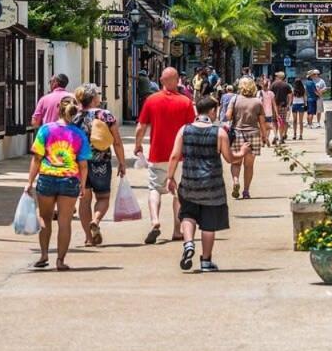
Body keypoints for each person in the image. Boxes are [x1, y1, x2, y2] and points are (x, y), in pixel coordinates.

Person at [166, 96, 249, 272]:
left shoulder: (184, 130)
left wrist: (170, 177)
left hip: (189, 183)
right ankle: (205, 261)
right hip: (213, 185)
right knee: (209, 224)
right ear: (212, 111)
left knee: (188, 214)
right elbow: (229, 158)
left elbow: (174, 155)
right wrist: (242, 152)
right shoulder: (219, 133)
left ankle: (188, 243)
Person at [25, 95, 90, 270]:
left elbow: (37, 159)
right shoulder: (79, 134)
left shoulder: (45, 130)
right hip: (69, 180)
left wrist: (30, 181)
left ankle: (44, 254)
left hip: (47, 177)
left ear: (57, 110)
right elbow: (83, 165)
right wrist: (83, 185)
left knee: (45, 218)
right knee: (64, 221)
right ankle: (60, 260)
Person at [134, 67, 196, 244]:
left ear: (161, 81)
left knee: (154, 189)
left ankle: (154, 220)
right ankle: (177, 230)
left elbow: (141, 127)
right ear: (177, 80)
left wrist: (138, 146)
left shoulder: (151, 100)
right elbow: (191, 129)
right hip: (181, 156)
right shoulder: (185, 102)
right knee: (179, 193)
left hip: (157, 153)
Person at [72, 83, 127, 246]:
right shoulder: (105, 115)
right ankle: (95, 220)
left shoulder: (75, 116)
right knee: (103, 197)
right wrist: (122, 162)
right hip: (101, 162)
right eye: (98, 94)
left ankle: (89, 238)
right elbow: (116, 142)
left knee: (84, 200)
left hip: (80, 162)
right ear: (94, 98)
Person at [227, 77, 269, 199]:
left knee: (236, 162)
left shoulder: (234, 99)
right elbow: (262, 122)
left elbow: (228, 116)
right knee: (249, 165)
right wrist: (264, 136)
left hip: (237, 133)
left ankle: (235, 181)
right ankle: (246, 191)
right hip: (253, 134)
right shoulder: (257, 102)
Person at [270, 72, 293, 142]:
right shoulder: (286, 85)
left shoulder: (273, 84)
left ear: (278, 77)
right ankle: (281, 137)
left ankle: (275, 135)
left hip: (274, 106)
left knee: (274, 121)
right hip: (283, 106)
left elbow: (270, 95)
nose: (275, 77)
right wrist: (288, 104)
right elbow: (290, 96)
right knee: (281, 121)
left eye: (276, 76)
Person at [259, 76, 277, 145]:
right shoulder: (271, 93)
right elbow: (274, 104)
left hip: (261, 113)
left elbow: (258, 103)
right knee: (269, 127)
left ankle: (262, 141)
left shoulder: (259, 93)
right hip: (269, 113)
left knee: (261, 127)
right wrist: (276, 113)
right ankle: (267, 137)